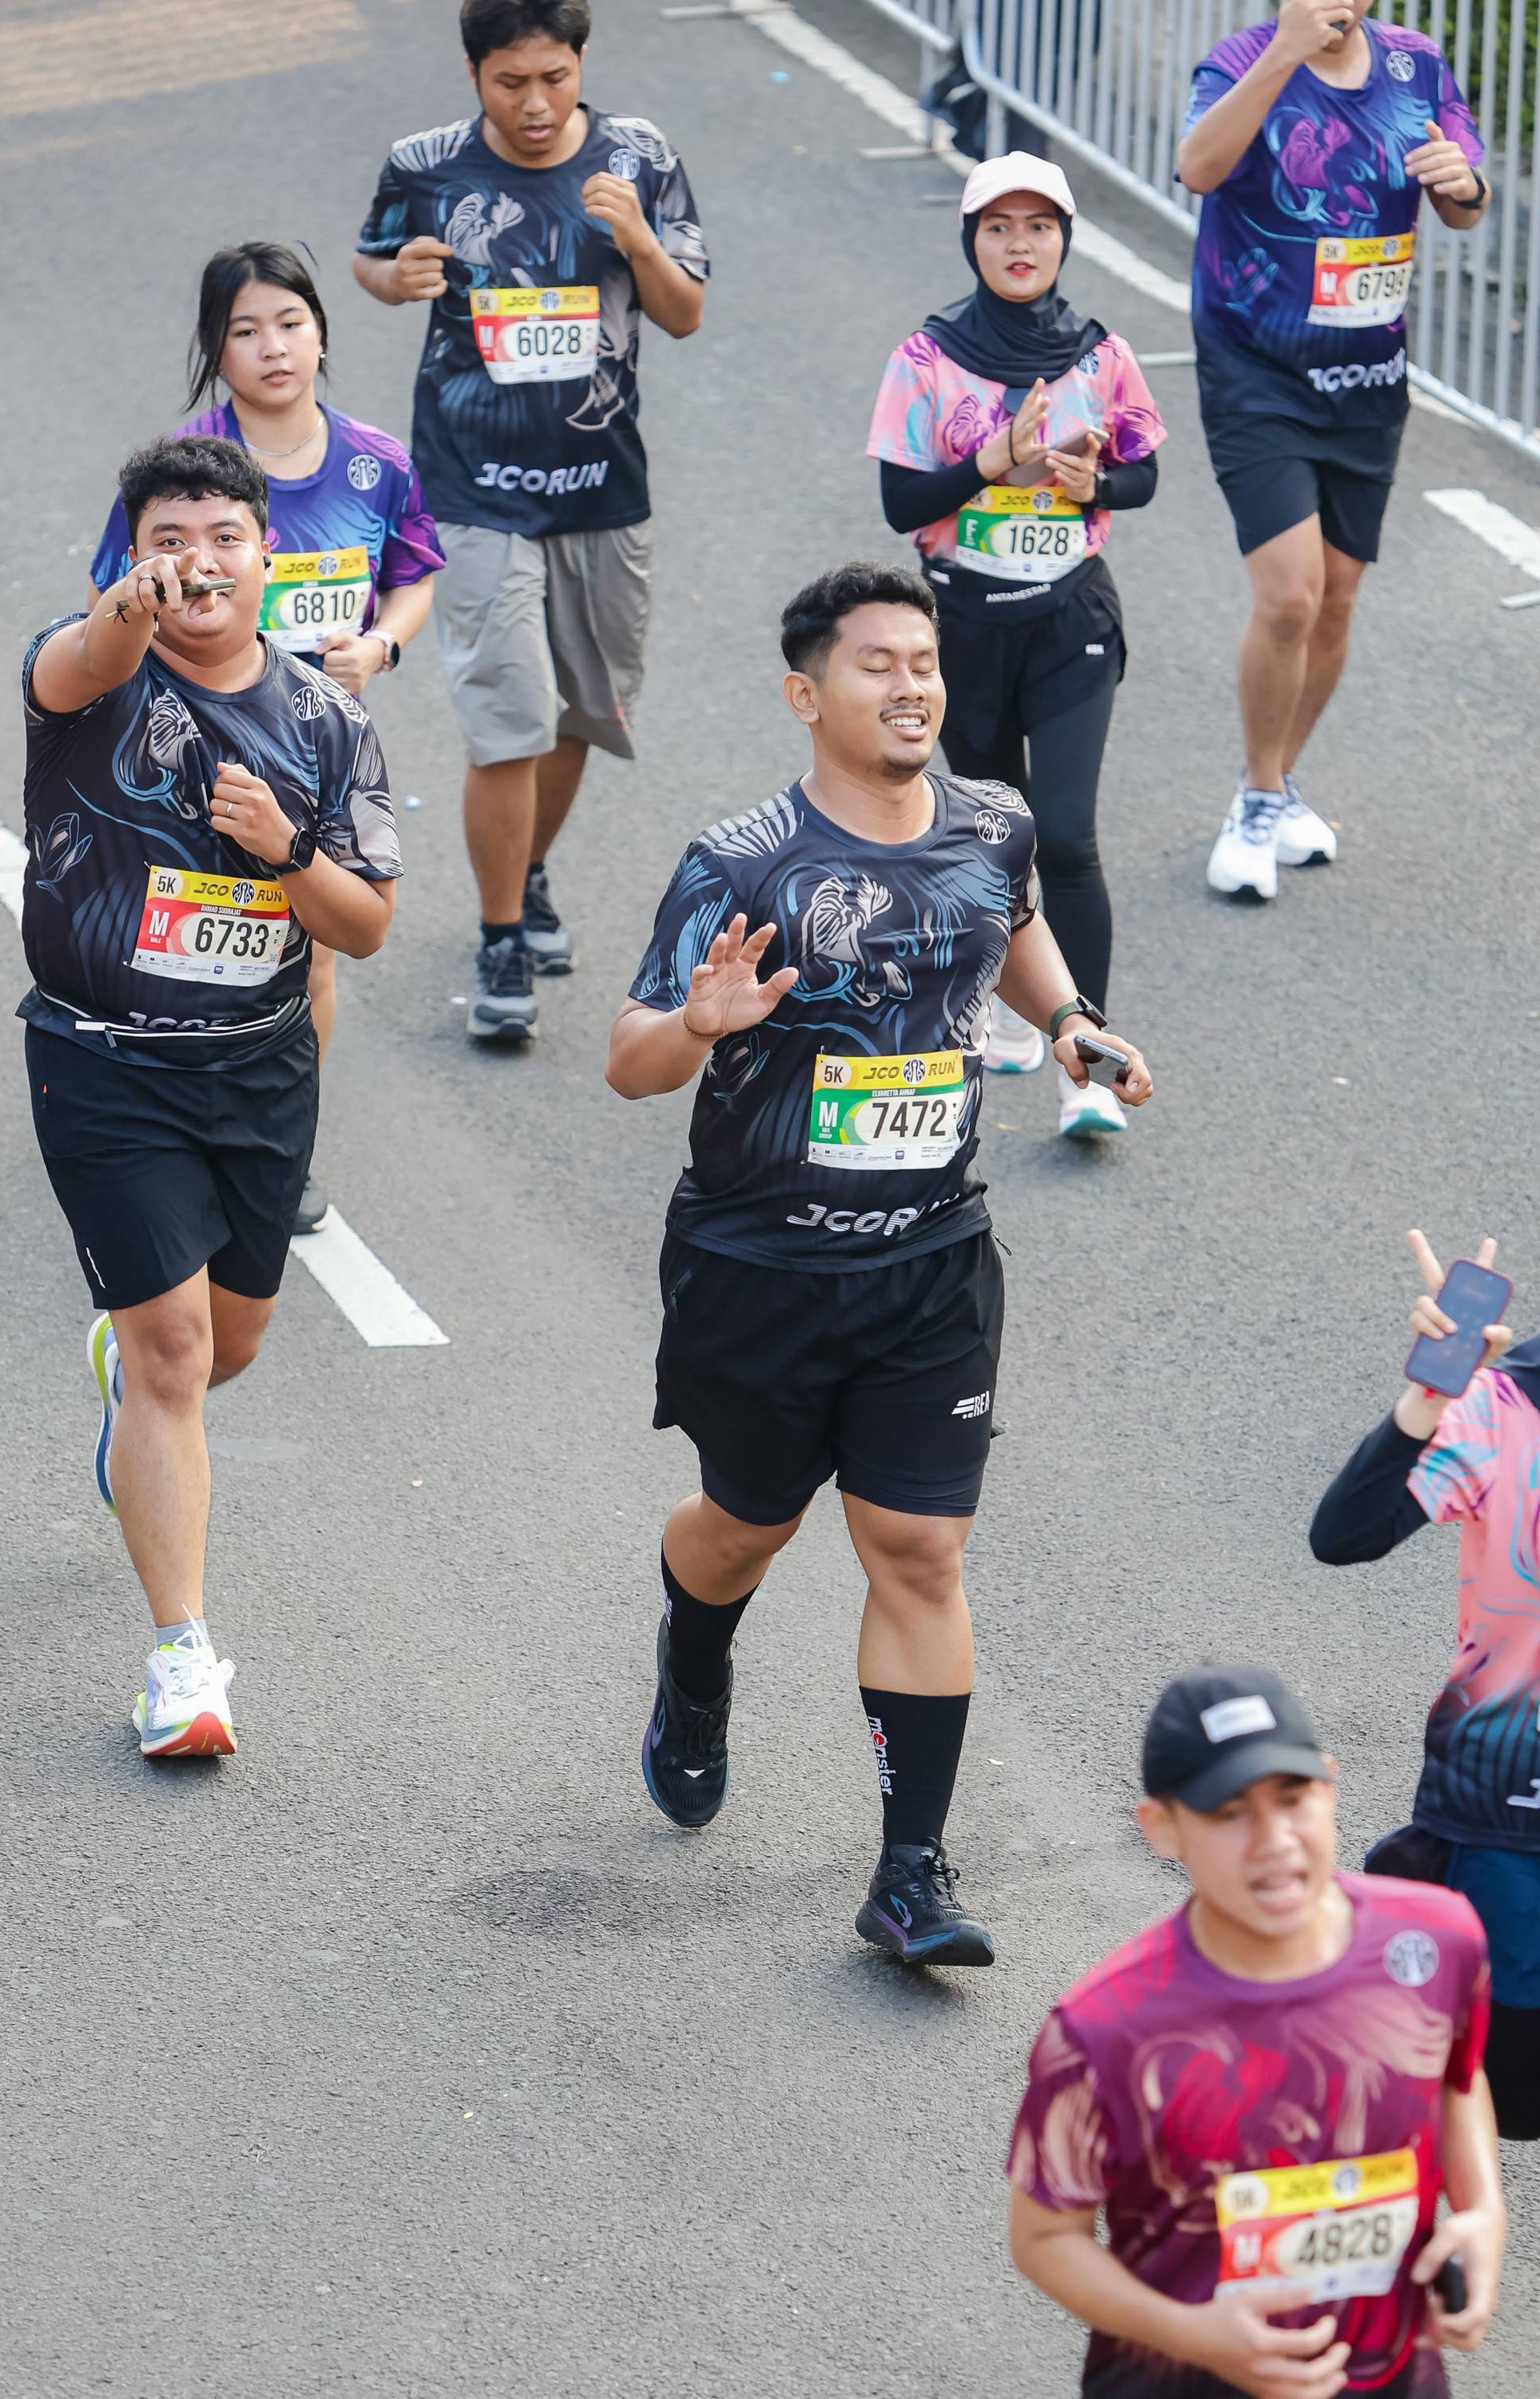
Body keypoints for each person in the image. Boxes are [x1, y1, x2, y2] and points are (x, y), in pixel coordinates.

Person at [605, 562, 1153, 1966]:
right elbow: (628, 1059)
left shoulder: (992, 822)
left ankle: (910, 1873)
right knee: (747, 1527)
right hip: (758, 1267)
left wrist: (1071, 1021)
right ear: (806, 695)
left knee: (918, 1547)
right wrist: (700, 1025)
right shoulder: (740, 864)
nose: (912, 687)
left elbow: (1008, 920)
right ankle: (695, 1661)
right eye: (877, 665)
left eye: (925, 663)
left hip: (931, 1259)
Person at [24, 435, 399, 1758]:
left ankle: (126, 1380)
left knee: (225, 1346)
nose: (198, 563)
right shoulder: (90, 679)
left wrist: (283, 848)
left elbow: (365, 927)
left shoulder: (326, 721)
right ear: (132, 558)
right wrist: (125, 608)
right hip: (106, 1056)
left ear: (267, 556)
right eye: (168, 542)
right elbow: (85, 653)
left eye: (223, 539)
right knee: (176, 1352)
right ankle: (182, 1662)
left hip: (259, 1066)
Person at [355, 0, 708, 1045]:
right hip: (471, 487)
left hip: (601, 486)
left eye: (555, 76)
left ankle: (528, 866)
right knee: (508, 715)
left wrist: (636, 238)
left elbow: (684, 312)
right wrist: (394, 278)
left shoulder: (640, 158)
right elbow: (374, 259)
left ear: (582, 60)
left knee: (582, 714)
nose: (537, 102)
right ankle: (501, 934)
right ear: (475, 75)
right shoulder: (424, 165)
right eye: (512, 82)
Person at [1009, 1664, 1506, 2397]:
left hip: (1396, 2375)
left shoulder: (1437, 1941)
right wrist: (1191, 2335)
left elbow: (1456, 2081)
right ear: (1162, 1828)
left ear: (1330, 1787)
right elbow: (1045, 2238)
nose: (1274, 1841)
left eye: (1293, 1797)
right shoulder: (1103, 2031)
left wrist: (1484, 2213)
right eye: (1229, 1813)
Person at [89, 241, 441, 1233]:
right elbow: (108, 599)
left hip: (309, 745)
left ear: (321, 332)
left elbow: (415, 574)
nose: (273, 347)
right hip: (184, 739)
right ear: (215, 349)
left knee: (311, 951)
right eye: (245, 331)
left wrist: (379, 646)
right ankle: (143, 1121)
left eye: (290, 323)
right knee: (177, 929)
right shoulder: (187, 473)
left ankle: (280, 1145)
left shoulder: (377, 462)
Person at [868, 153, 1165, 1139]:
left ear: (1063, 239)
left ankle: (1092, 1070)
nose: (1019, 244)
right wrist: (989, 461)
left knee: (1066, 837)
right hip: (962, 631)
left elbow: (1142, 474)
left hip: (1070, 621)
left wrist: (1094, 486)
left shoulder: (1100, 356)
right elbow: (899, 503)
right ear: (972, 241)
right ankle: (1013, 998)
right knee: (998, 839)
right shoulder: (926, 359)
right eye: (998, 227)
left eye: (1038, 226)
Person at [1178, 0, 1488, 903]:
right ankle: (1257, 798)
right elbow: (1197, 169)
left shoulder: (1416, 65)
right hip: (1256, 369)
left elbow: (1464, 204)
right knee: (1290, 597)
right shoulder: (1238, 61)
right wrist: (1282, 55)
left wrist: (1462, 183)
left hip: (1367, 377)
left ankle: (1274, 783)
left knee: (1337, 598)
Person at [1311, 1229, 1540, 2144]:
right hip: (1507, 1814)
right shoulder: (1503, 1409)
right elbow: (1344, 1534)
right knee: (1498, 2098)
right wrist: (1426, 1399)